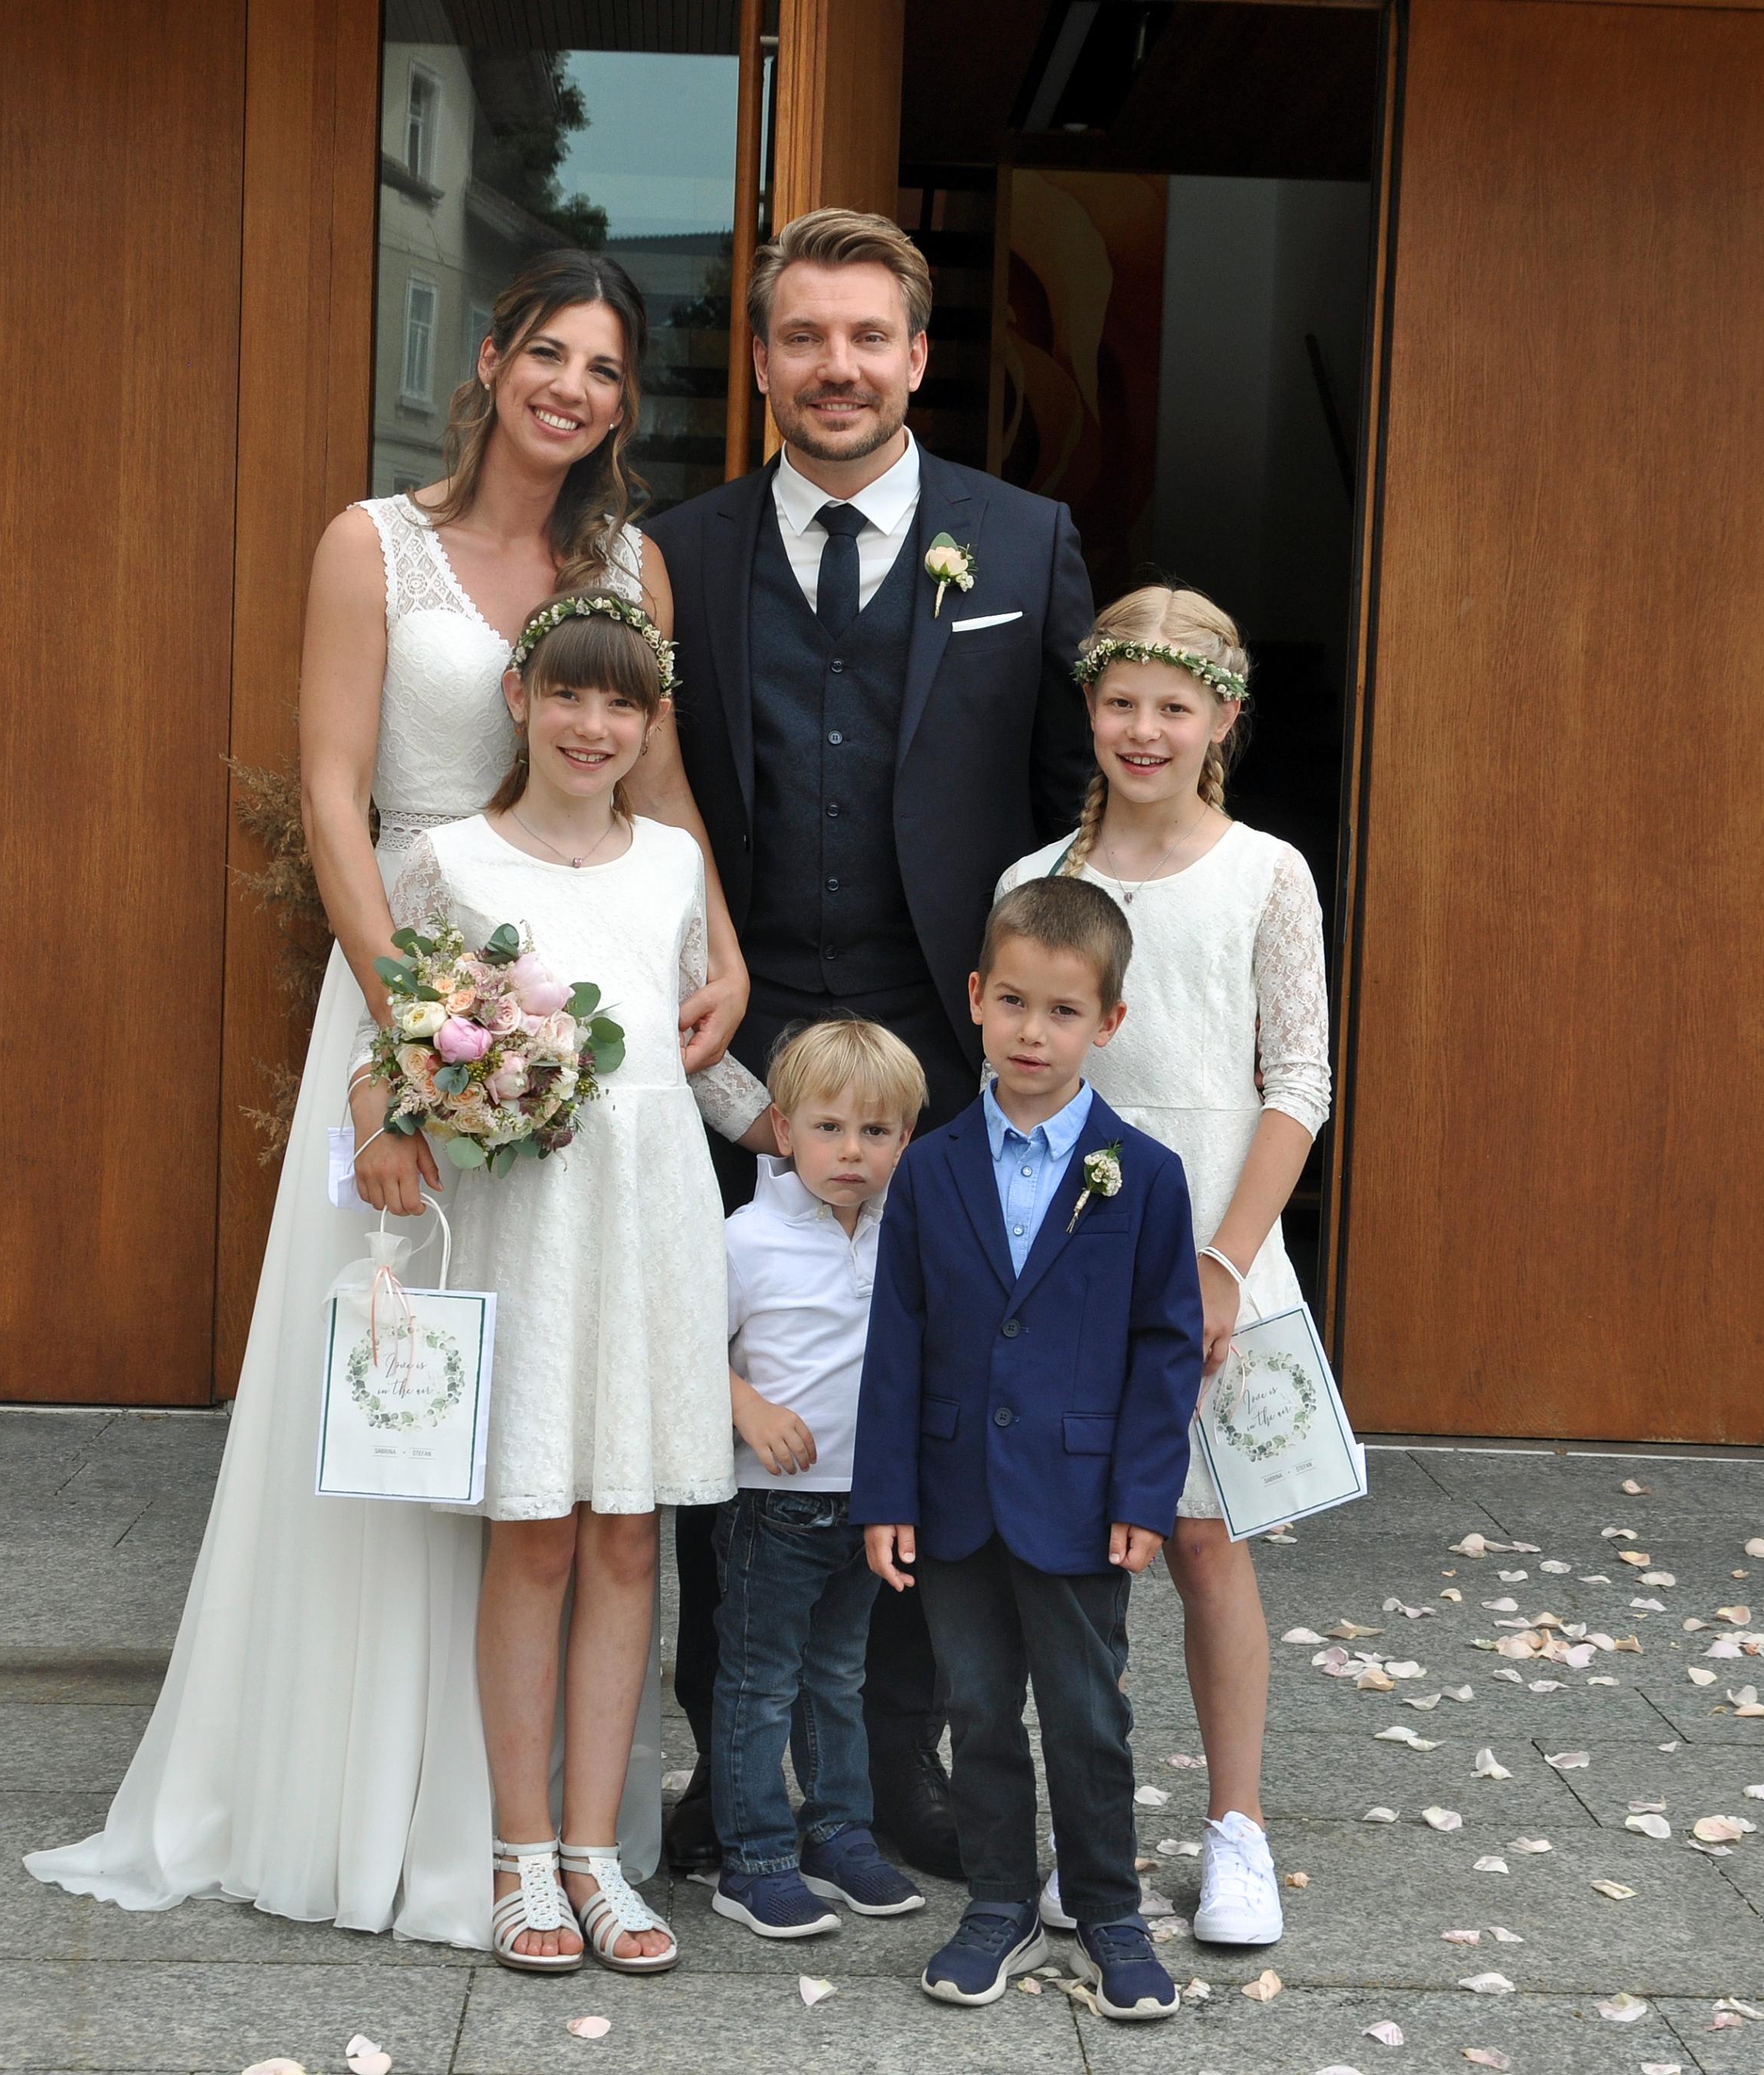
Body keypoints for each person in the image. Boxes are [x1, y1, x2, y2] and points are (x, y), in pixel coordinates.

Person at [28, 251, 741, 1948]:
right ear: (488, 361)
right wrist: (421, 1020)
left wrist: (719, 944)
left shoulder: (626, 566)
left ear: (624, 403)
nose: (570, 389)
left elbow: (657, 779)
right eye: (546, 354)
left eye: (604, 370)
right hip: (424, 987)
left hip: (593, 985)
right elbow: (337, 790)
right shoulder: (370, 545)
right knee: (421, 1384)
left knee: (560, 1429)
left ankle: (562, 1837)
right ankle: (381, 1812)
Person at [642, 205, 1097, 1880]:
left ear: (915, 356)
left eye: (866, 338)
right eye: (802, 337)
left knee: (928, 1418)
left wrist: (1021, 1060)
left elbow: (1066, 820)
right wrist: (726, 1086)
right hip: (734, 1055)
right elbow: (645, 811)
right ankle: (730, 1775)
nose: (835, 366)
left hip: (948, 1079)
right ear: (761, 363)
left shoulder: (1022, 542)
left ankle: (900, 1777)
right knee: (732, 1425)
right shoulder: (677, 554)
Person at [362, 590, 771, 1971]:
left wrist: (798, 1128)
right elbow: (393, 1042)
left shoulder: (672, 864)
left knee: (627, 1536)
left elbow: (687, 1047)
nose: (592, 726)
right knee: (535, 1529)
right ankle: (518, 1850)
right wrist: (384, 1124)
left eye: (621, 704)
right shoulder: (448, 861)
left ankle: (598, 1852)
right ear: (518, 700)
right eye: (567, 695)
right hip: (531, 1224)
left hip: (655, 1223)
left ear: (651, 724)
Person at [1004, 587, 1329, 1949]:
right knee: (1075, 1550)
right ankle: (1089, 1837)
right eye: (1122, 702)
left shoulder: (1266, 873)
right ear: (1090, 707)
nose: (1145, 730)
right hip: (1073, 1247)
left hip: (1214, 1240)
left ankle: (1237, 1829)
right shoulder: (1036, 881)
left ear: (1222, 719)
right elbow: (1018, 1075)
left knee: (1203, 1535)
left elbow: (1297, 1079)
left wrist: (1223, 1263)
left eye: (1175, 708)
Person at [853, 878, 1205, 2021]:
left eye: (1062, 1011)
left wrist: (1144, 1494)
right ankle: (998, 1902)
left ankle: (1107, 1911)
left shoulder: (1143, 1175)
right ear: (975, 997)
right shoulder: (930, 1167)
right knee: (977, 1708)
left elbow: (1165, 1348)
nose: (1032, 1032)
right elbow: (898, 1337)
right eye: (1012, 1002)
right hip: (953, 1492)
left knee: (1088, 1712)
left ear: (1108, 1020)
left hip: (1083, 1497)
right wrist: (887, 1493)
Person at [707, 1018, 931, 1942]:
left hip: (867, 1503)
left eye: (875, 1131)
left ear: (904, 1140)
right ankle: (754, 1859)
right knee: (761, 1681)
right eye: (828, 1127)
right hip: (772, 1507)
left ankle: (838, 1831)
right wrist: (748, 1407)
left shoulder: (903, 1235)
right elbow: (683, 1344)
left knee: (839, 1675)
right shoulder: (745, 1238)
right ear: (783, 1128)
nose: (850, 1151)